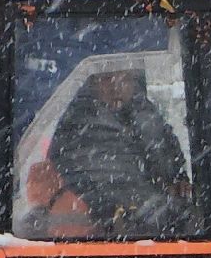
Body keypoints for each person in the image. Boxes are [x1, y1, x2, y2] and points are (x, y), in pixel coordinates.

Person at [49, 66, 193, 236]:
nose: (115, 85)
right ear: (93, 83)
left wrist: (178, 179)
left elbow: (168, 152)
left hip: (159, 219)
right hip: (107, 227)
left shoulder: (147, 114)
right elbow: (105, 179)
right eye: (107, 78)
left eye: (125, 78)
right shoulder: (79, 124)